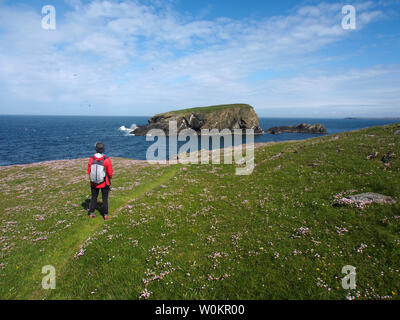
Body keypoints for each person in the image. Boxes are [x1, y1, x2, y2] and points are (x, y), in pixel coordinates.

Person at [87, 142, 113, 220]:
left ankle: (91, 213)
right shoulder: (106, 160)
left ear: (96, 149)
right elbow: (110, 172)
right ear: (103, 149)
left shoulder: (91, 159)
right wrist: (109, 178)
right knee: (104, 198)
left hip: (93, 183)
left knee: (94, 197)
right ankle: (105, 215)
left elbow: (89, 171)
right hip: (104, 183)